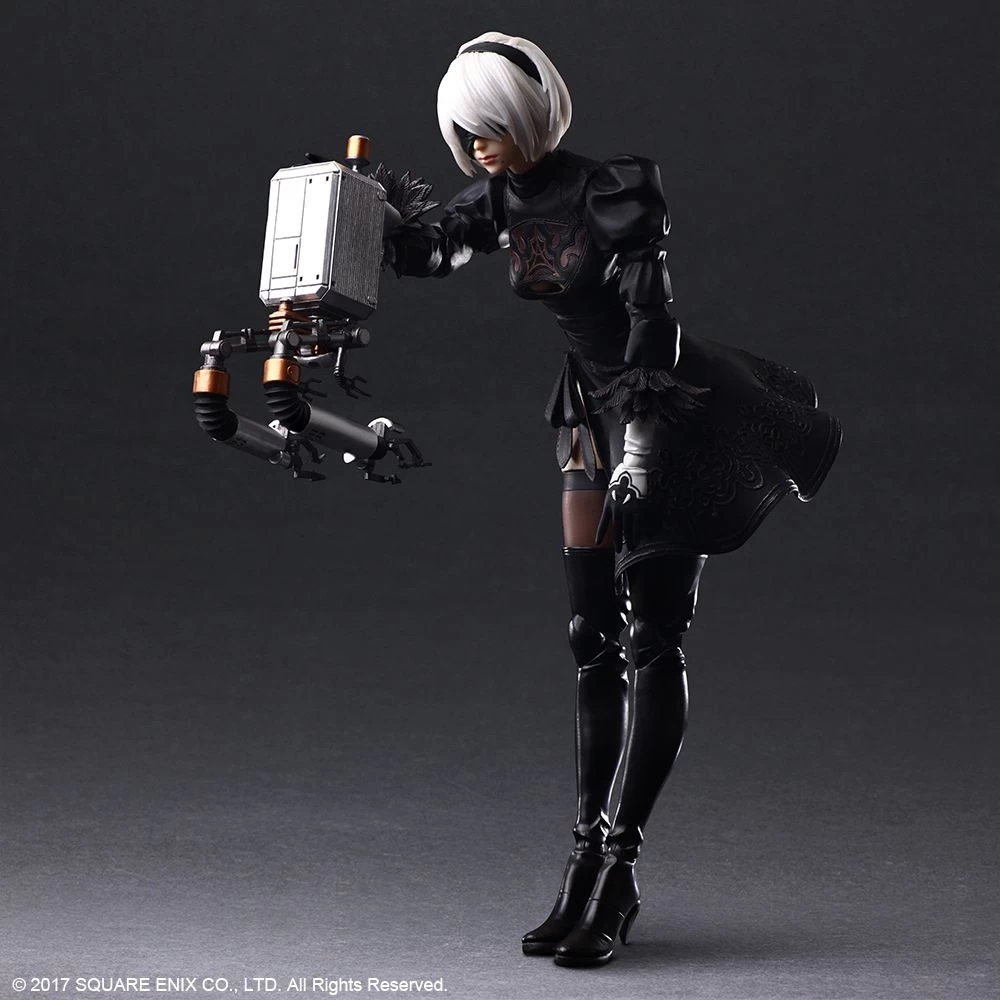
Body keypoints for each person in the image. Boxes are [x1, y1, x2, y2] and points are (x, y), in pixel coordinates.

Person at [384, 31, 841, 967]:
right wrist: (368, 215)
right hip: (584, 420)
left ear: (527, 114)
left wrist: (641, 444)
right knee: (590, 636)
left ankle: (619, 871)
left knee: (652, 638)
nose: (475, 148)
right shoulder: (500, 195)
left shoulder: (611, 191)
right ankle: (582, 861)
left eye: (487, 128)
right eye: (463, 134)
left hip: (664, 415)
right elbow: (432, 254)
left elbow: (652, 323)